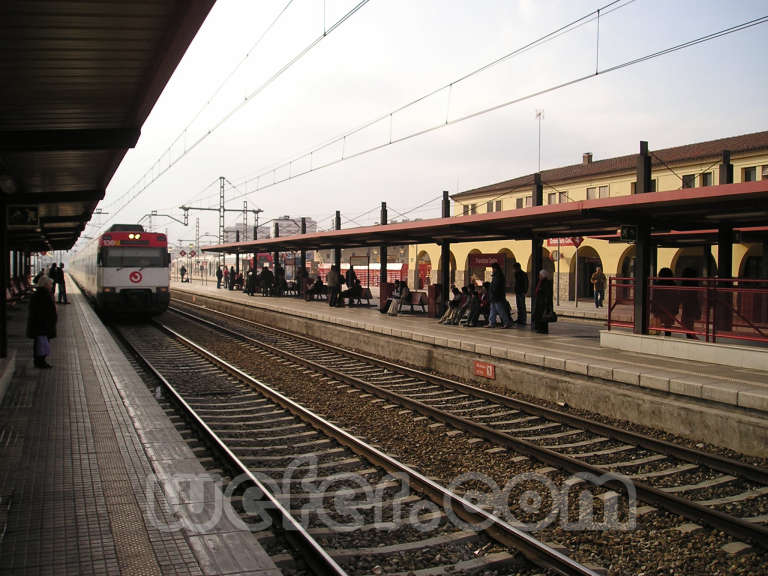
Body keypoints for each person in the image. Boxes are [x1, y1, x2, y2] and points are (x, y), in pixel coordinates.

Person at [27, 275, 57, 369]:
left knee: (42, 344)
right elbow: (41, 311)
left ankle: (40, 361)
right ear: (45, 284)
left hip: (42, 325)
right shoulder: (42, 295)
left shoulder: (41, 294)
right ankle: (40, 362)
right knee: (41, 344)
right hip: (41, 325)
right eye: (50, 284)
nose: (51, 286)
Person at [653, 267, 678, 336]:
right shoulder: (673, 285)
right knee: (668, 327)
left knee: (656, 327)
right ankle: (667, 336)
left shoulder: (657, 285)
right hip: (669, 309)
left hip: (659, 308)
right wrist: (675, 309)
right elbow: (676, 298)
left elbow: (654, 297)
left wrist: (653, 309)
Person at [486, 262, 511, 328]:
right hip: (494, 296)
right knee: (493, 310)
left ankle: (506, 323)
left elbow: (496, 287)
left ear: (495, 268)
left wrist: (493, 293)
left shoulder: (498, 276)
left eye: (493, 268)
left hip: (497, 296)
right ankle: (491, 323)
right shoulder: (497, 275)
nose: (492, 270)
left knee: (500, 310)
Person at [680, 267, 701, 339]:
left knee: (687, 321)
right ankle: (691, 335)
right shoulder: (695, 284)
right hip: (692, 304)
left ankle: (690, 335)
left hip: (688, 305)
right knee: (689, 321)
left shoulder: (685, 285)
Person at [532, 269, 555, 334]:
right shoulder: (541, 281)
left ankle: (542, 329)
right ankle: (540, 329)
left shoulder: (546, 282)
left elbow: (547, 293)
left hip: (543, 303)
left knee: (543, 316)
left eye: (540, 275)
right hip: (540, 302)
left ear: (543, 275)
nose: (539, 276)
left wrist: (546, 303)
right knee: (540, 316)